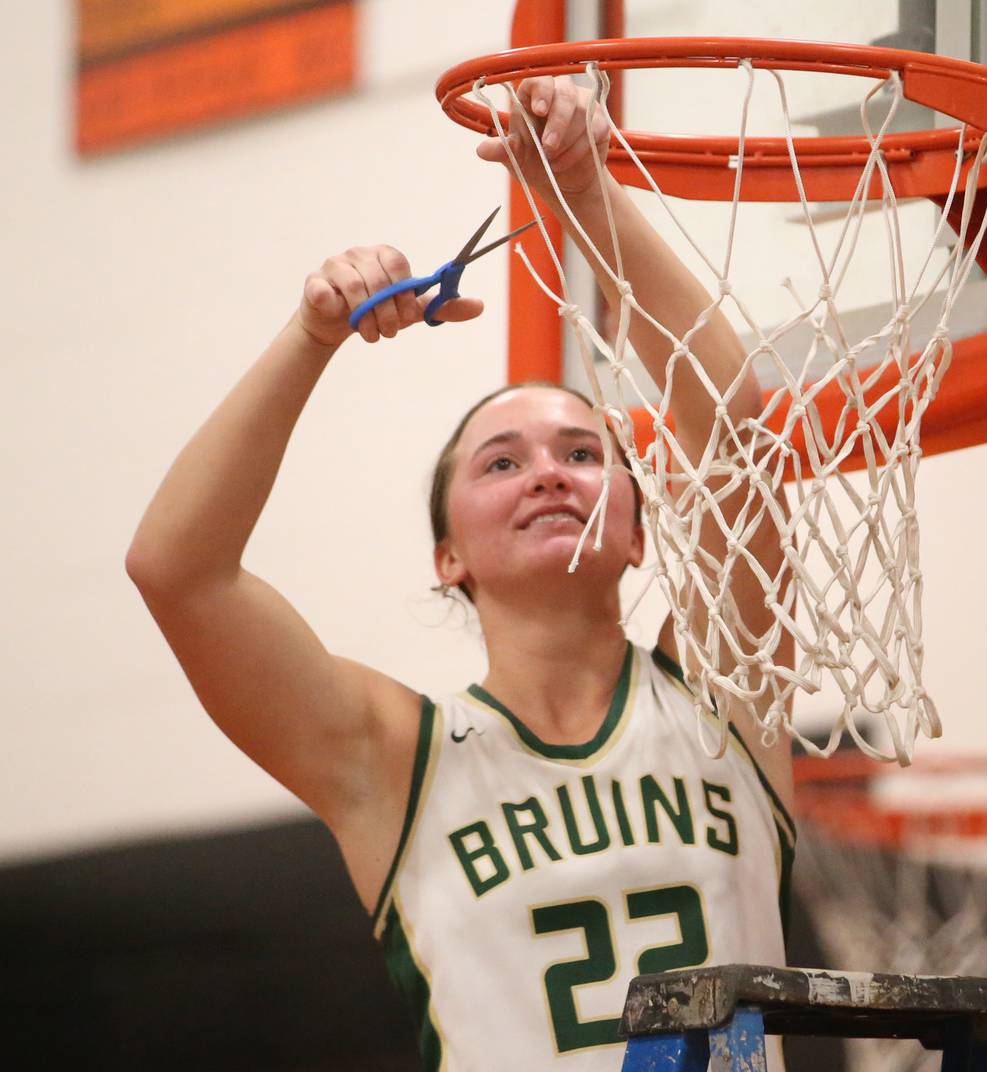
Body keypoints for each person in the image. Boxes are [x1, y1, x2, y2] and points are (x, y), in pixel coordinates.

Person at [126, 76, 794, 1070]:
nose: (549, 475)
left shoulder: (726, 692)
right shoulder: (398, 756)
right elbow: (176, 569)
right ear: (449, 555)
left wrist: (584, 186)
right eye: (501, 461)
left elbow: (728, 415)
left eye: (581, 451)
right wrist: (311, 337)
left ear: (640, 532)